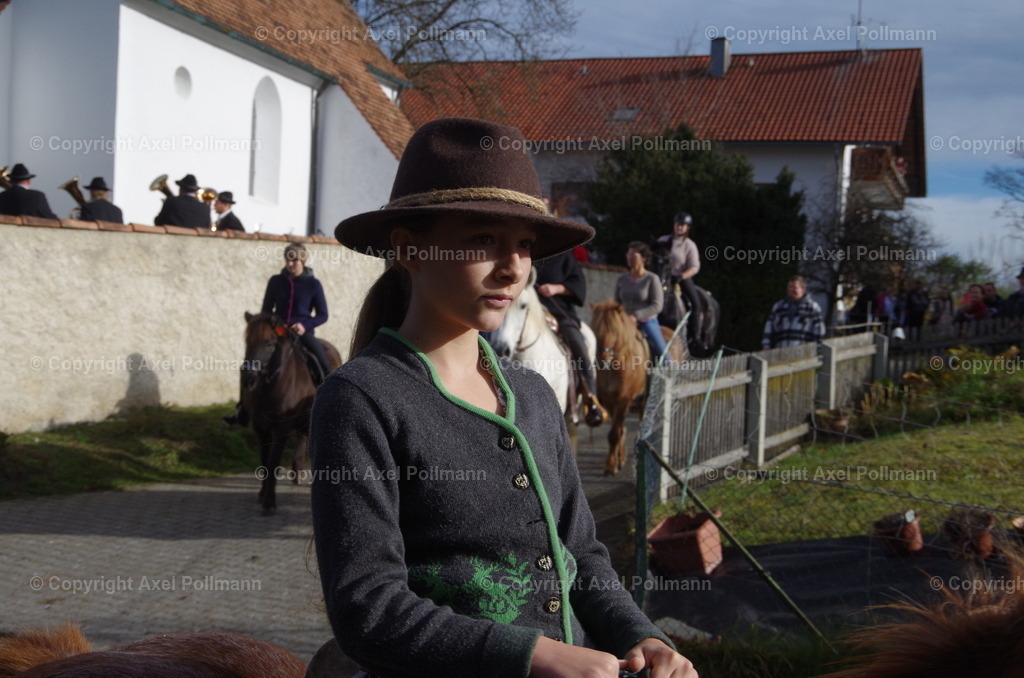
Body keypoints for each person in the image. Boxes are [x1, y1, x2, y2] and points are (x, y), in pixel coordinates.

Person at [309, 118, 697, 678]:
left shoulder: (534, 394)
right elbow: (368, 607)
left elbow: (582, 556)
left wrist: (640, 634)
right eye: (482, 239)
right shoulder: (361, 399)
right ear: (410, 251)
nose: (513, 267)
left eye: (524, 245)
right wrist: (532, 655)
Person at [534, 249, 606, 425]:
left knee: (579, 345)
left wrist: (556, 288)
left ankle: (591, 398)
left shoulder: (564, 256)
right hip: (531, 314)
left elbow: (579, 284)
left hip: (560, 313)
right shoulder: (531, 255)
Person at [260, 242, 331, 384]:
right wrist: (274, 324)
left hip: (302, 333)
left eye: (295, 260)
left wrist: (304, 325)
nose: (290, 263)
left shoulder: (314, 284)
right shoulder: (275, 281)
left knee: (323, 363)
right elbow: (266, 311)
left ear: (303, 261)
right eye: (288, 259)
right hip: (278, 331)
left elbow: (323, 314)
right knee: (254, 358)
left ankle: (327, 388)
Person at [615, 241, 668, 360]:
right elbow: (616, 302)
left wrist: (636, 315)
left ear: (644, 258)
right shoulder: (622, 279)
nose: (629, 257)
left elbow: (657, 305)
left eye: (633, 254)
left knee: (663, 353)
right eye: (628, 254)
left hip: (647, 321)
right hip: (624, 321)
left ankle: (669, 369)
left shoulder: (652, 279)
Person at [658, 212, 703, 344]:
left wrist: (682, 276)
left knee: (695, 303)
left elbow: (695, 266)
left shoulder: (689, 245)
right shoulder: (663, 240)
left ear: (687, 227)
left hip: (679, 278)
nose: (679, 227)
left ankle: (696, 335)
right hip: (662, 277)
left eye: (683, 225)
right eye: (678, 224)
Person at [761, 275, 825, 349]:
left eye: (794, 287)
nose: (791, 290)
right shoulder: (779, 307)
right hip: (781, 351)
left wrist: (817, 348)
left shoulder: (812, 308)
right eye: (789, 287)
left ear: (803, 289)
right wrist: (766, 345)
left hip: (803, 352)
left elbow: (819, 330)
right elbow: (769, 326)